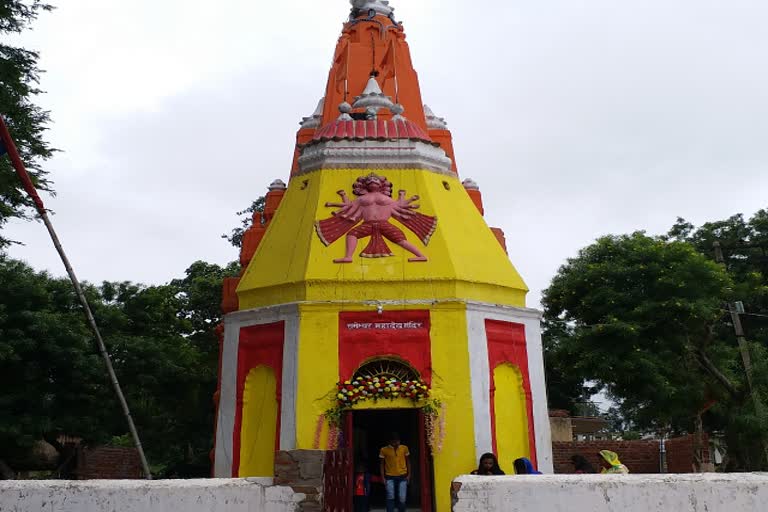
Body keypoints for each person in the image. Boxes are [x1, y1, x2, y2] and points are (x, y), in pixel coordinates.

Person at [379, 432, 410, 512]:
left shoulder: (404, 448)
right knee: (390, 497)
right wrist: (382, 477)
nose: (396, 443)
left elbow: (408, 462)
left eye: (398, 441)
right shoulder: (384, 450)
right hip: (389, 477)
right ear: (390, 441)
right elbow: (382, 464)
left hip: (403, 476)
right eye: (394, 441)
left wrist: (409, 475)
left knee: (402, 498)